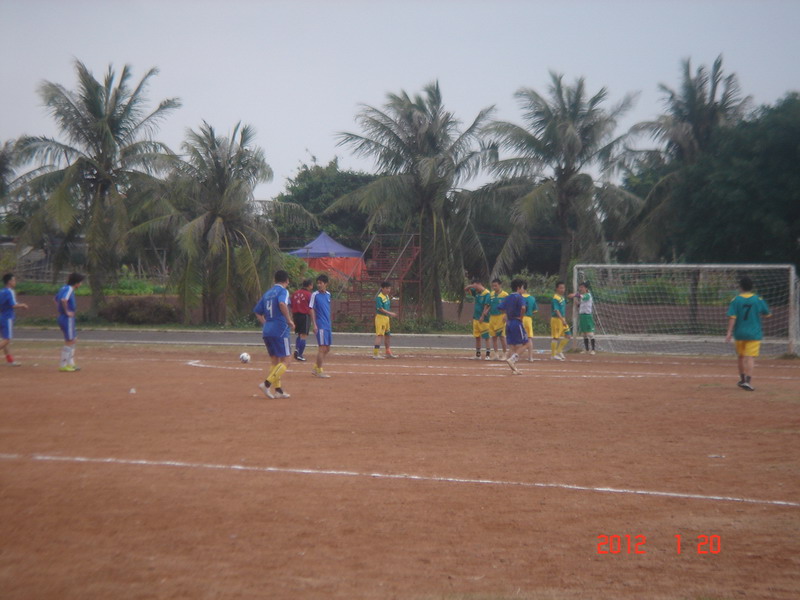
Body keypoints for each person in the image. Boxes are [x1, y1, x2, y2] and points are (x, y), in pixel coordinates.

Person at [725, 276, 771, 391]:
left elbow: (732, 317)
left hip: (739, 333)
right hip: (754, 333)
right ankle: (748, 381)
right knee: (750, 357)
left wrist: (729, 332)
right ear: (752, 287)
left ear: (740, 287)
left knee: (740, 357)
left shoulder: (736, 300)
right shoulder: (757, 299)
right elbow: (767, 314)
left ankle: (742, 379)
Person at [253, 270, 295, 399]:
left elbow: (257, 312)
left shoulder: (267, 293)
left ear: (274, 280)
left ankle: (278, 390)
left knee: (275, 360)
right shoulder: (283, 291)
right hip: (280, 329)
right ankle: (266, 384)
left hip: (268, 330)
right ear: (287, 280)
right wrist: (289, 320)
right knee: (287, 359)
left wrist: (266, 323)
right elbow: (282, 303)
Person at [55, 272, 84, 372]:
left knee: (74, 339)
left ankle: (70, 363)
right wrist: (66, 311)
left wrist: (60, 310)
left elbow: (56, 299)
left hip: (64, 317)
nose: (81, 284)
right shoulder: (69, 289)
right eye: (80, 282)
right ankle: (63, 364)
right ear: (76, 283)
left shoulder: (63, 288)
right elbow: (64, 300)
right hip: (67, 318)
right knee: (70, 340)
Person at [498, 279, 528, 374]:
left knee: (513, 346)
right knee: (526, 343)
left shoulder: (507, 297)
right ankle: (512, 359)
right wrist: (521, 317)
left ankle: (514, 369)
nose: (523, 290)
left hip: (509, 323)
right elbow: (523, 307)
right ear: (518, 288)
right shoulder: (519, 297)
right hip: (516, 322)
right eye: (522, 287)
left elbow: (500, 307)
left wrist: (506, 314)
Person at [1, 273, 29, 367]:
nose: (15, 282)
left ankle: (10, 360)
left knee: (5, 339)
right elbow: (13, 305)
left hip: (1, 316)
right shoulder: (10, 291)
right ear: (9, 282)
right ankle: (10, 360)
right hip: (7, 318)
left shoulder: (2, 291)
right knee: (7, 340)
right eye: (14, 280)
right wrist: (23, 305)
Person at [309, 274, 332, 378]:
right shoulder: (315, 295)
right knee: (322, 348)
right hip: (320, 324)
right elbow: (311, 309)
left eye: (321, 283)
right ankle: (318, 370)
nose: (319, 285)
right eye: (317, 283)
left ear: (326, 284)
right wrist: (314, 324)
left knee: (327, 348)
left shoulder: (328, 294)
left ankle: (316, 367)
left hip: (327, 324)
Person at [464, 278, 491, 359]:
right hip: (476, 317)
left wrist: (482, 316)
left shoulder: (487, 293)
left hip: (484, 319)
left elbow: (487, 305)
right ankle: (478, 354)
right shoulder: (476, 292)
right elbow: (466, 289)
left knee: (486, 337)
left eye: (475, 286)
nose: (474, 289)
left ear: (479, 284)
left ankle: (488, 355)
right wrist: (471, 286)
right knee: (477, 337)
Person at [569, 281, 596, 355]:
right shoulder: (582, 296)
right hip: (582, 316)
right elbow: (582, 305)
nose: (580, 289)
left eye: (582, 287)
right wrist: (577, 304)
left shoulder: (588, 295)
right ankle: (586, 349)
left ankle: (593, 349)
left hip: (587, 316)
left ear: (586, 288)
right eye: (580, 287)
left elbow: (582, 297)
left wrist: (574, 295)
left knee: (590, 333)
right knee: (584, 334)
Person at [373, 281, 398, 359]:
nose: (388, 290)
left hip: (386, 318)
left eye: (389, 288)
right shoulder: (379, 297)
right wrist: (390, 313)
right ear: (382, 288)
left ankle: (388, 352)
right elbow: (380, 309)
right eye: (387, 288)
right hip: (380, 318)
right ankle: (376, 354)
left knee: (387, 335)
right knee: (380, 335)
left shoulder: (387, 296)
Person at [291, 279, 313, 361]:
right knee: (304, 335)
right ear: (309, 285)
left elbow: (291, 305)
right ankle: (300, 354)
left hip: (296, 316)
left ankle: (297, 349)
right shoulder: (309, 294)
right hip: (305, 316)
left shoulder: (295, 293)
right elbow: (311, 307)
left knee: (299, 334)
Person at [487, 278, 509, 360]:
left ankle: (505, 354)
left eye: (495, 286)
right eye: (493, 286)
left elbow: (508, 306)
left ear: (500, 285)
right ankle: (496, 354)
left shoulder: (505, 295)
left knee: (502, 337)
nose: (494, 287)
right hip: (492, 317)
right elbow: (489, 305)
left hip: (501, 317)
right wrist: (486, 311)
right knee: (494, 336)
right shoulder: (491, 294)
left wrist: (506, 315)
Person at [550, 280, 572, 361]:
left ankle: (559, 350)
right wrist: (562, 320)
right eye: (561, 288)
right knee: (556, 337)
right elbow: (556, 310)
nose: (562, 289)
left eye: (563, 288)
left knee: (568, 335)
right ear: (557, 288)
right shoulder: (555, 298)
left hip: (562, 319)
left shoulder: (562, 297)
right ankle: (553, 355)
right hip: (557, 319)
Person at [521, 281, 538, 362]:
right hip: (528, 319)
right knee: (529, 338)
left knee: (518, 338)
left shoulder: (519, 297)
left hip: (519, 318)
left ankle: (515, 355)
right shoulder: (532, 298)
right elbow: (535, 311)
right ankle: (530, 357)